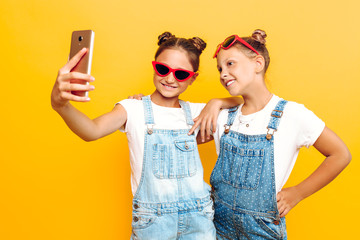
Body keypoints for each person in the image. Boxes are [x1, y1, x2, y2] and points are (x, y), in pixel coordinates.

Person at [51, 31, 243, 239]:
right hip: (153, 224)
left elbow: (247, 103)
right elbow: (91, 131)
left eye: (180, 74)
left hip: (199, 221)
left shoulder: (199, 113)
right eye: (162, 69)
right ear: (154, 66)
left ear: (192, 78)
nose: (169, 78)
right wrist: (61, 105)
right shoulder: (133, 109)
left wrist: (217, 102)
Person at [189, 29, 351, 239]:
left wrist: (297, 193)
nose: (222, 74)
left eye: (230, 64)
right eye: (220, 68)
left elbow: (341, 154)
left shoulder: (292, 114)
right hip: (218, 227)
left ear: (258, 63)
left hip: (262, 231)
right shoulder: (221, 116)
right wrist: (135, 107)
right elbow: (169, 116)